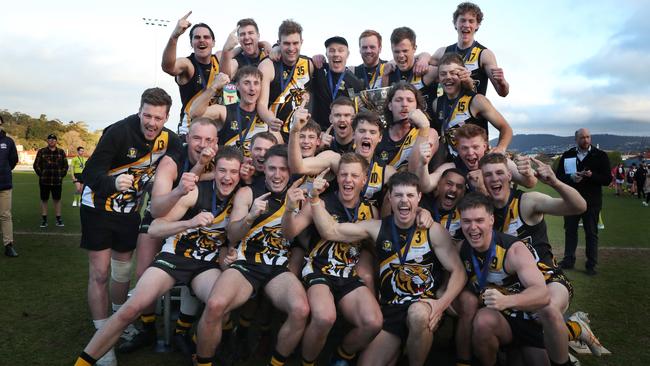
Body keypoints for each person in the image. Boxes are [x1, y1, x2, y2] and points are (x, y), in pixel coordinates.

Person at [73, 147, 241, 366]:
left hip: (205, 266)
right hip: (174, 257)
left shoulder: (242, 197)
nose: (227, 177)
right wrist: (189, 223)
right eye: (222, 170)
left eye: (233, 172)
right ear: (214, 170)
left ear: (240, 174)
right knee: (131, 309)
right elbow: (154, 228)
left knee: (221, 304)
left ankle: (201, 354)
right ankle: (83, 362)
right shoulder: (196, 191)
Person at [309, 171, 465, 366]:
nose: (403, 201)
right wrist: (314, 198)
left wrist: (440, 304)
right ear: (389, 198)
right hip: (391, 309)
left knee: (417, 315)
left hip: (423, 304)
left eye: (409, 195)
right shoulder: (377, 227)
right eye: (398, 195)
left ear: (419, 197)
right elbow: (331, 231)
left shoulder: (433, 230)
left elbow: (459, 271)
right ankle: (400, 348)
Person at [79, 87, 181, 366]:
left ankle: (118, 323)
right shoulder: (119, 132)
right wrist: (113, 182)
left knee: (122, 273)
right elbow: (89, 173)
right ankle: (104, 338)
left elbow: (185, 157)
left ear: (166, 117)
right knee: (100, 274)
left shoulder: (169, 139)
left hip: (129, 212)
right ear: (139, 112)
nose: (151, 123)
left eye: (158, 118)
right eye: (147, 115)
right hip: (98, 208)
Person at [480, 153, 603, 363]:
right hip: (512, 286)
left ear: (510, 176)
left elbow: (579, 207)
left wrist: (555, 182)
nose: (494, 179)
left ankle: (571, 334)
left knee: (545, 311)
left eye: (500, 172)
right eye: (488, 175)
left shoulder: (528, 202)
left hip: (548, 279)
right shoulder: (483, 211)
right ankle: (567, 333)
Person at [195, 145, 310, 366]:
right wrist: (250, 216)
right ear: (263, 169)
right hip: (246, 263)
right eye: (272, 168)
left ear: (291, 171)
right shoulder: (248, 192)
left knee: (300, 310)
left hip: (278, 267)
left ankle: (275, 363)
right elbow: (232, 234)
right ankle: (203, 362)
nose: (277, 175)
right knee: (215, 304)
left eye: (283, 169)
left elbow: (293, 236)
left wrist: (290, 208)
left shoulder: (299, 197)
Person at [283, 153, 383, 365]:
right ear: (337, 178)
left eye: (354, 175)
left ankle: (341, 356)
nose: (348, 180)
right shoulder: (320, 200)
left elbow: (372, 247)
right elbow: (290, 232)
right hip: (319, 269)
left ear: (364, 180)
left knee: (373, 323)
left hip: (349, 273)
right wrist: (290, 207)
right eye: (343, 175)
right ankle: (306, 362)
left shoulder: (371, 210)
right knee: (324, 317)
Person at [457, 192, 550, 366]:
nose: (472, 227)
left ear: (491, 220)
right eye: (466, 221)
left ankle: (572, 330)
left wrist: (507, 300)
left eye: (479, 220)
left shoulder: (513, 249)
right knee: (483, 321)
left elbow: (542, 294)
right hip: (498, 321)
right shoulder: (462, 249)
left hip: (528, 320)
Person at [431, 53, 512, 161]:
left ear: (463, 74)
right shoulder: (437, 103)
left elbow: (506, 128)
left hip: (479, 162)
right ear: (438, 78)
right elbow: (443, 139)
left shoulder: (477, 100)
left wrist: (500, 148)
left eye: (453, 73)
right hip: (455, 163)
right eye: (443, 74)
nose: (448, 77)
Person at [190, 66, 280, 156]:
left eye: (256, 83)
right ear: (237, 86)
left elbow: (279, 147)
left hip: (254, 167)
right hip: (228, 168)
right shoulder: (224, 111)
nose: (252, 88)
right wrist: (214, 87)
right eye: (246, 83)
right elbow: (194, 113)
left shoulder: (267, 116)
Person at [555, 128, 610, 275]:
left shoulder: (600, 155)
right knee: (570, 231)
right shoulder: (568, 155)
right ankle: (568, 260)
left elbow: (607, 179)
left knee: (591, 233)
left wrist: (592, 175)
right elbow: (558, 177)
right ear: (576, 140)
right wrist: (571, 178)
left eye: (588, 137)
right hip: (571, 200)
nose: (585, 140)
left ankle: (591, 264)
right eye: (582, 138)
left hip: (592, 202)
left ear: (590, 138)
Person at [430, 1, 509, 97]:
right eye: (463, 20)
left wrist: (502, 82)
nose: (467, 25)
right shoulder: (442, 52)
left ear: (477, 25)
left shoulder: (485, 54)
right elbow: (421, 66)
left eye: (471, 21)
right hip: (447, 110)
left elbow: (503, 93)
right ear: (455, 23)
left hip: (474, 110)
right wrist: (423, 56)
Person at [161, 11, 221, 135]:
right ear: (191, 43)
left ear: (213, 42)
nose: (202, 40)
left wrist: (266, 45)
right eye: (197, 37)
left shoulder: (219, 60)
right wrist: (174, 37)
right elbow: (168, 67)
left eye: (206, 37)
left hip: (214, 131)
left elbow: (238, 51)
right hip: (190, 130)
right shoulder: (188, 65)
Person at [257, 19, 314, 143]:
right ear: (279, 43)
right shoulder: (268, 65)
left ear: (301, 42)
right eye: (286, 43)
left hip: (300, 130)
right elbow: (261, 104)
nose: (291, 48)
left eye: (295, 43)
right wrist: (270, 121)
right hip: (275, 130)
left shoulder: (308, 64)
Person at [375, 82, 439, 172]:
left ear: (417, 106)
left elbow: (415, 170)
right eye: (398, 100)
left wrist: (424, 127)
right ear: (390, 106)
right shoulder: (378, 135)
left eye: (410, 100)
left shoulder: (429, 133)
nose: (404, 104)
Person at [309, 36, 364, 130]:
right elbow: (297, 60)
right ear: (326, 54)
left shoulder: (355, 82)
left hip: (344, 133)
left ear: (347, 54)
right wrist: (276, 47)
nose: (336, 54)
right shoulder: (318, 70)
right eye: (331, 50)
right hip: (319, 133)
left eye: (341, 50)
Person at [33, 133, 68, 228]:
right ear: (47, 141)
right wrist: (41, 174)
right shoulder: (41, 151)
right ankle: (44, 219)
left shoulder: (61, 152)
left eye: (53, 139)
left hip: (57, 181)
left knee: (57, 200)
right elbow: (36, 165)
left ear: (56, 141)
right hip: (44, 181)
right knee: (44, 200)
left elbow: (65, 166)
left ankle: (58, 219)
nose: (52, 141)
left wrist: (61, 175)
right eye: (50, 139)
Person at [0, 115, 18, 257]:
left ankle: (8, 245)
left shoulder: (8, 141)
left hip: (4, 184)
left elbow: (13, 160)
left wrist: (4, 170)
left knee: (5, 215)